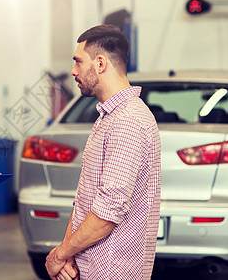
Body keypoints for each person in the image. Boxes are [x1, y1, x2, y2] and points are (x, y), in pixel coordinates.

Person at [45, 25, 161, 280]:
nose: (73, 71)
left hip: (112, 270)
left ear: (100, 63)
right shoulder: (108, 117)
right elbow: (86, 198)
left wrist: (60, 254)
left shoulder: (128, 120)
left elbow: (107, 213)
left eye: (78, 61)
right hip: (92, 267)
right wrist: (70, 254)